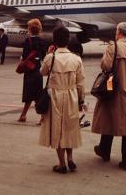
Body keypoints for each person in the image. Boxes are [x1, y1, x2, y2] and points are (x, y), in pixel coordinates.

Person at [92, 22, 126, 171]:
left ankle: (104, 150)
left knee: (108, 119)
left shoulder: (113, 46)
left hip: (114, 91)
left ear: (119, 33)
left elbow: (106, 66)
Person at [39, 26, 85, 173]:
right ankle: (70, 158)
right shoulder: (76, 59)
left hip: (55, 96)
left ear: (55, 40)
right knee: (70, 127)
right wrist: (81, 101)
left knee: (57, 129)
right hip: (71, 95)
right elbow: (80, 83)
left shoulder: (50, 57)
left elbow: (42, 72)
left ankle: (61, 164)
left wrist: (48, 53)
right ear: (68, 40)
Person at [18, 19, 46, 122]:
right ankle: (42, 116)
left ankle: (23, 115)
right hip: (38, 71)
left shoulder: (27, 41)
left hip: (29, 71)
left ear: (30, 29)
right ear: (39, 30)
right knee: (38, 95)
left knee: (28, 94)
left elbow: (24, 56)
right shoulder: (42, 42)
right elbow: (44, 57)